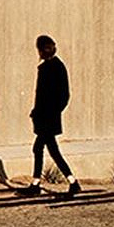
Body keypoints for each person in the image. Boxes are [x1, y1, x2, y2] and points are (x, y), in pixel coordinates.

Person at [23, 35, 80, 195]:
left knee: (44, 149)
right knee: (42, 149)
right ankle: (39, 183)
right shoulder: (51, 66)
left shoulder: (54, 67)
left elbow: (63, 95)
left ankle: (69, 182)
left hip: (48, 117)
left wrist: (51, 112)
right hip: (44, 116)